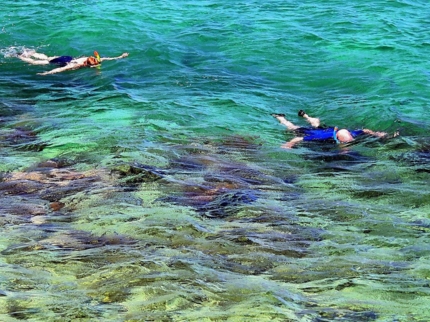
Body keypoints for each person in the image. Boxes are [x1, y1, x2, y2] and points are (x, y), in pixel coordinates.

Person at [272, 110, 398, 149]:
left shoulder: (350, 133)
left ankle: (307, 116)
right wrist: (289, 144)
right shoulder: (322, 138)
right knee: (293, 128)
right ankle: (281, 118)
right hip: (315, 132)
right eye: (345, 142)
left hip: (329, 129)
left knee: (317, 123)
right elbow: (299, 138)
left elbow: (365, 130)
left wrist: (377, 134)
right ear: (337, 138)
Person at [17, 49, 129, 75]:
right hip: (66, 62)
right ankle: (19, 56)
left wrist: (120, 57)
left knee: (48, 58)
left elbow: (106, 58)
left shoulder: (96, 60)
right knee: (37, 63)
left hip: (67, 57)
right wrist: (46, 73)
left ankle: (32, 52)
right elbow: (62, 69)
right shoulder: (79, 64)